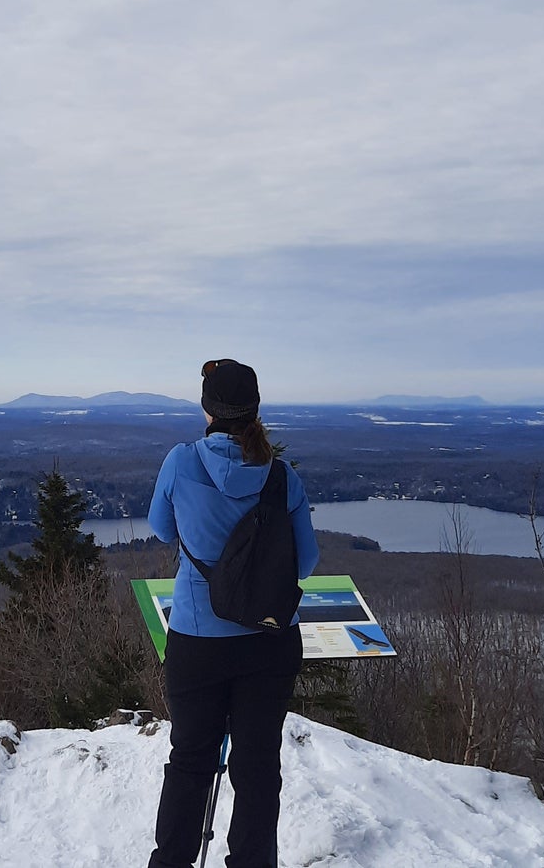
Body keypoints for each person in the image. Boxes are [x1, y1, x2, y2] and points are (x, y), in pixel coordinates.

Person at [146, 359, 320, 868]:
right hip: (269, 640)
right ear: (255, 411)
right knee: (258, 768)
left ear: (206, 409)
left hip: (197, 639)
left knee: (191, 762)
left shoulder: (181, 462)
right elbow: (305, 562)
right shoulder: (282, 477)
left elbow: (160, 529)